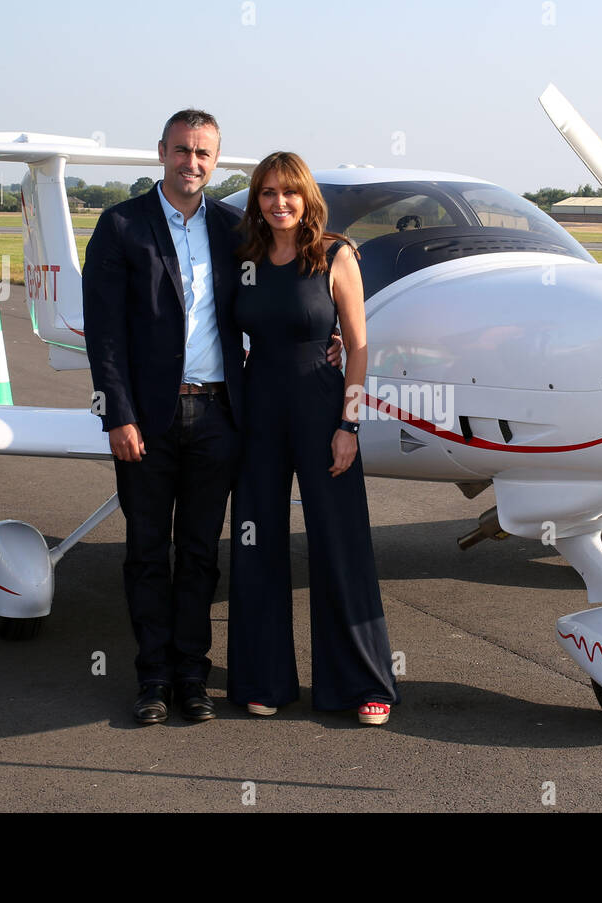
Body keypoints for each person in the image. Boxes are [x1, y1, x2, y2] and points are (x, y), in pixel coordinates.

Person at [82, 111, 340, 726]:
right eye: (181, 151)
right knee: (147, 552)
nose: (191, 163)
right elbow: (106, 335)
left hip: (221, 415)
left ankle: (192, 678)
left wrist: (331, 339)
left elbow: (281, 293)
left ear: (215, 160)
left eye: (202, 154)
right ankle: (152, 679)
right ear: (162, 153)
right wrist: (118, 414)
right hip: (147, 420)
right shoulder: (120, 226)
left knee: (200, 552)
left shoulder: (234, 229)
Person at [226, 151, 399, 726]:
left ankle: (362, 684)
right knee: (257, 546)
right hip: (257, 416)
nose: (278, 203)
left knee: (339, 545)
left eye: (289, 193)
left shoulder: (334, 253)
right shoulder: (245, 256)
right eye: (268, 193)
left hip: (324, 413)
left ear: (306, 199)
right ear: (257, 199)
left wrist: (349, 425)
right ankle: (263, 678)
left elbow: (359, 346)